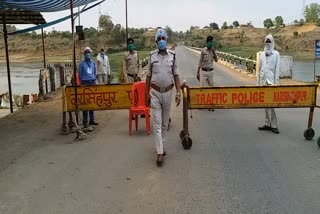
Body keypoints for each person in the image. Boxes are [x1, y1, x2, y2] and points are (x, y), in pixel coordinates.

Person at [145, 28, 181, 166]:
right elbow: (148, 76)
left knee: (165, 123)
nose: (161, 41)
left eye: (163, 38)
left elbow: (176, 75)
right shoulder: (151, 56)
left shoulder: (172, 56)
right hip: (154, 93)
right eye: (159, 39)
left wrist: (178, 92)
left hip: (168, 92)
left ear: (166, 40)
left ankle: (162, 145)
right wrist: (146, 94)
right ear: (156, 42)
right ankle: (159, 152)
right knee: (157, 123)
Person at [257, 34, 280, 134]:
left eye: (269, 42)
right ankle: (267, 123)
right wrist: (258, 83)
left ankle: (274, 125)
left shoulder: (276, 54)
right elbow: (258, 69)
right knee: (265, 104)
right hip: (263, 81)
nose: (268, 44)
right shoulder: (261, 54)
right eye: (266, 42)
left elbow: (277, 70)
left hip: (272, 82)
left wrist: (276, 84)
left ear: (272, 42)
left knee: (272, 105)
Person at [78, 47, 98, 128]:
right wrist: (81, 84)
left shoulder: (93, 63)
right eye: (86, 52)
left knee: (91, 102)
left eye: (89, 52)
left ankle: (91, 120)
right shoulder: (82, 64)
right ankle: (85, 121)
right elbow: (80, 74)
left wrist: (94, 80)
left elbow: (94, 72)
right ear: (84, 54)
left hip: (92, 82)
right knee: (85, 102)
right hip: (85, 83)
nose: (88, 54)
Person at [197, 35, 218, 111]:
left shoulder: (213, 51)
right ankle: (201, 104)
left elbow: (216, 60)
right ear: (207, 42)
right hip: (203, 71)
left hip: (211, 72)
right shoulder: (203, 50)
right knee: (202, 89)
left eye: (212, 42)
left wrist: (214, 52)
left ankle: (211, 105)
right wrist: (197, 72)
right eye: (210, 42)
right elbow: (200, 61)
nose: (211, 43)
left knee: (211, 89)